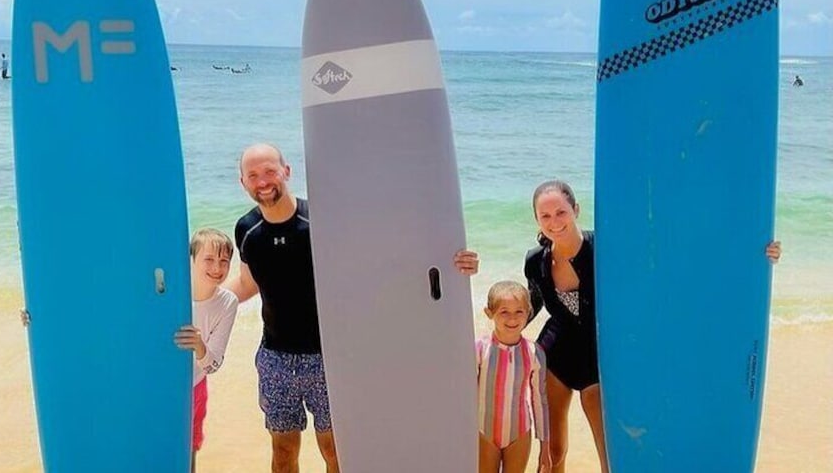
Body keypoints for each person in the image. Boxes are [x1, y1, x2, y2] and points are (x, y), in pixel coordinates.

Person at [227, 143, 480, 473]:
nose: (263, 181)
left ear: (287, 172)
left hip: (330, 357)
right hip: (275, 356)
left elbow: (380, 260)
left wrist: (451, 261)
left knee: (336, 448)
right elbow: (248, 284)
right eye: (253, 175)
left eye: (270, 171)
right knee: (283, 448)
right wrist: (201, 305)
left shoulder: (321, 219)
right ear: (242, 182)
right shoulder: (246, 230)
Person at [524, 180, 781, 473]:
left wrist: (753, 255)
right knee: (552, 452)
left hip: (599, 357)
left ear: (576, 210)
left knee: (609, 455)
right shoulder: (536, 260)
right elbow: (531, 302)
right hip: (555, 354)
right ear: (537, 220)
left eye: (561, 212)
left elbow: (672, 259)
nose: (554, 222)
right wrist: (498, 331)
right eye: (545, 216)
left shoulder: (606, 250)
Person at [174, 228, 239, 472]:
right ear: (191, 260)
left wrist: (200, 347)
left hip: (195, 387)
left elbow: (214, 364)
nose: (217, 268)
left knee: (188, 450)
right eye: (209, 259)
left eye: (224, 261)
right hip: (160, 386)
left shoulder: (227, 302)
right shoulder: (173, 294)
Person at [477, 281, 550, 473]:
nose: (512, 318)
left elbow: (539, 399)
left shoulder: (535, 352)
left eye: (519, 311)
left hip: (519, 433)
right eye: (504, 312)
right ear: (489, 313)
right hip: (484, 432)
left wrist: (545, 446)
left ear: (529, 312)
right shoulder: (479, 349)